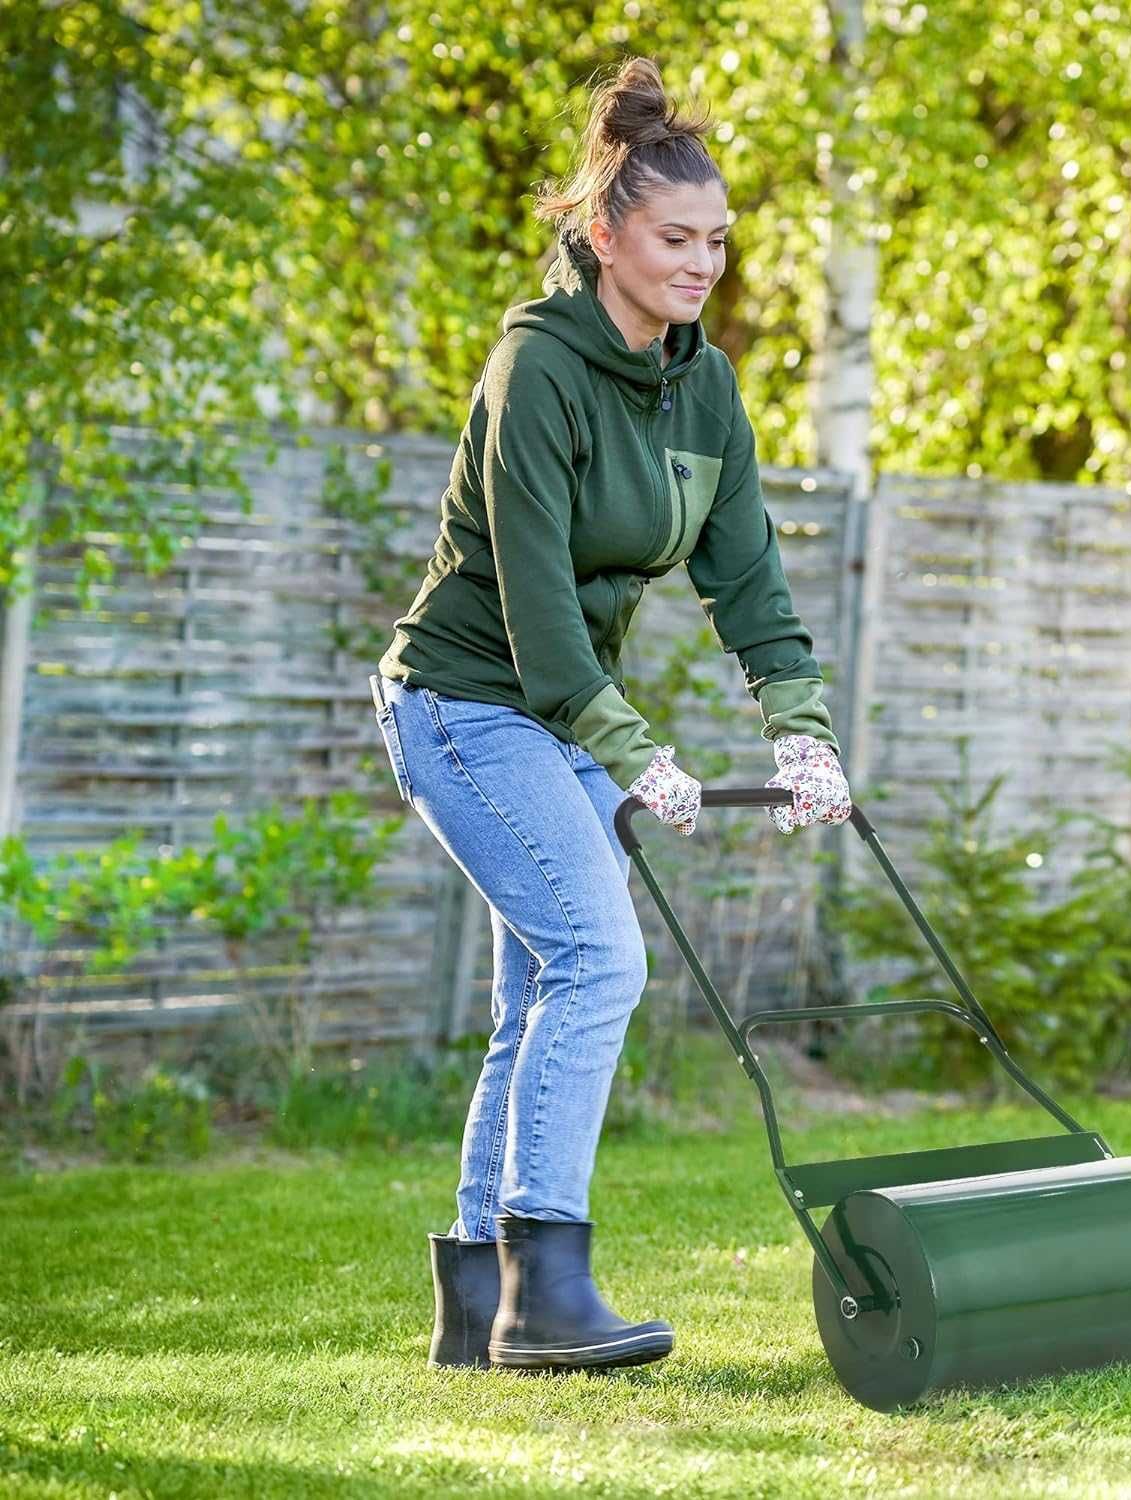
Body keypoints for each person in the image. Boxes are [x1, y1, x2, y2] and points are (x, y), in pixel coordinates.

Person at [368, 56, 852, 1375]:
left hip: (555, 719)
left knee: (538, 995)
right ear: (605, 237)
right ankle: (546, 1294)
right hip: (467, 705)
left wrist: (800, 729)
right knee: (600, 961)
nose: (702, 264)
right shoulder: (538, 370)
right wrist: (642, 755)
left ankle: (479, 1308)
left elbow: (745, 575)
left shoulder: (706, 389)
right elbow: (535, 616)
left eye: (719, 241)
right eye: (676, 239)